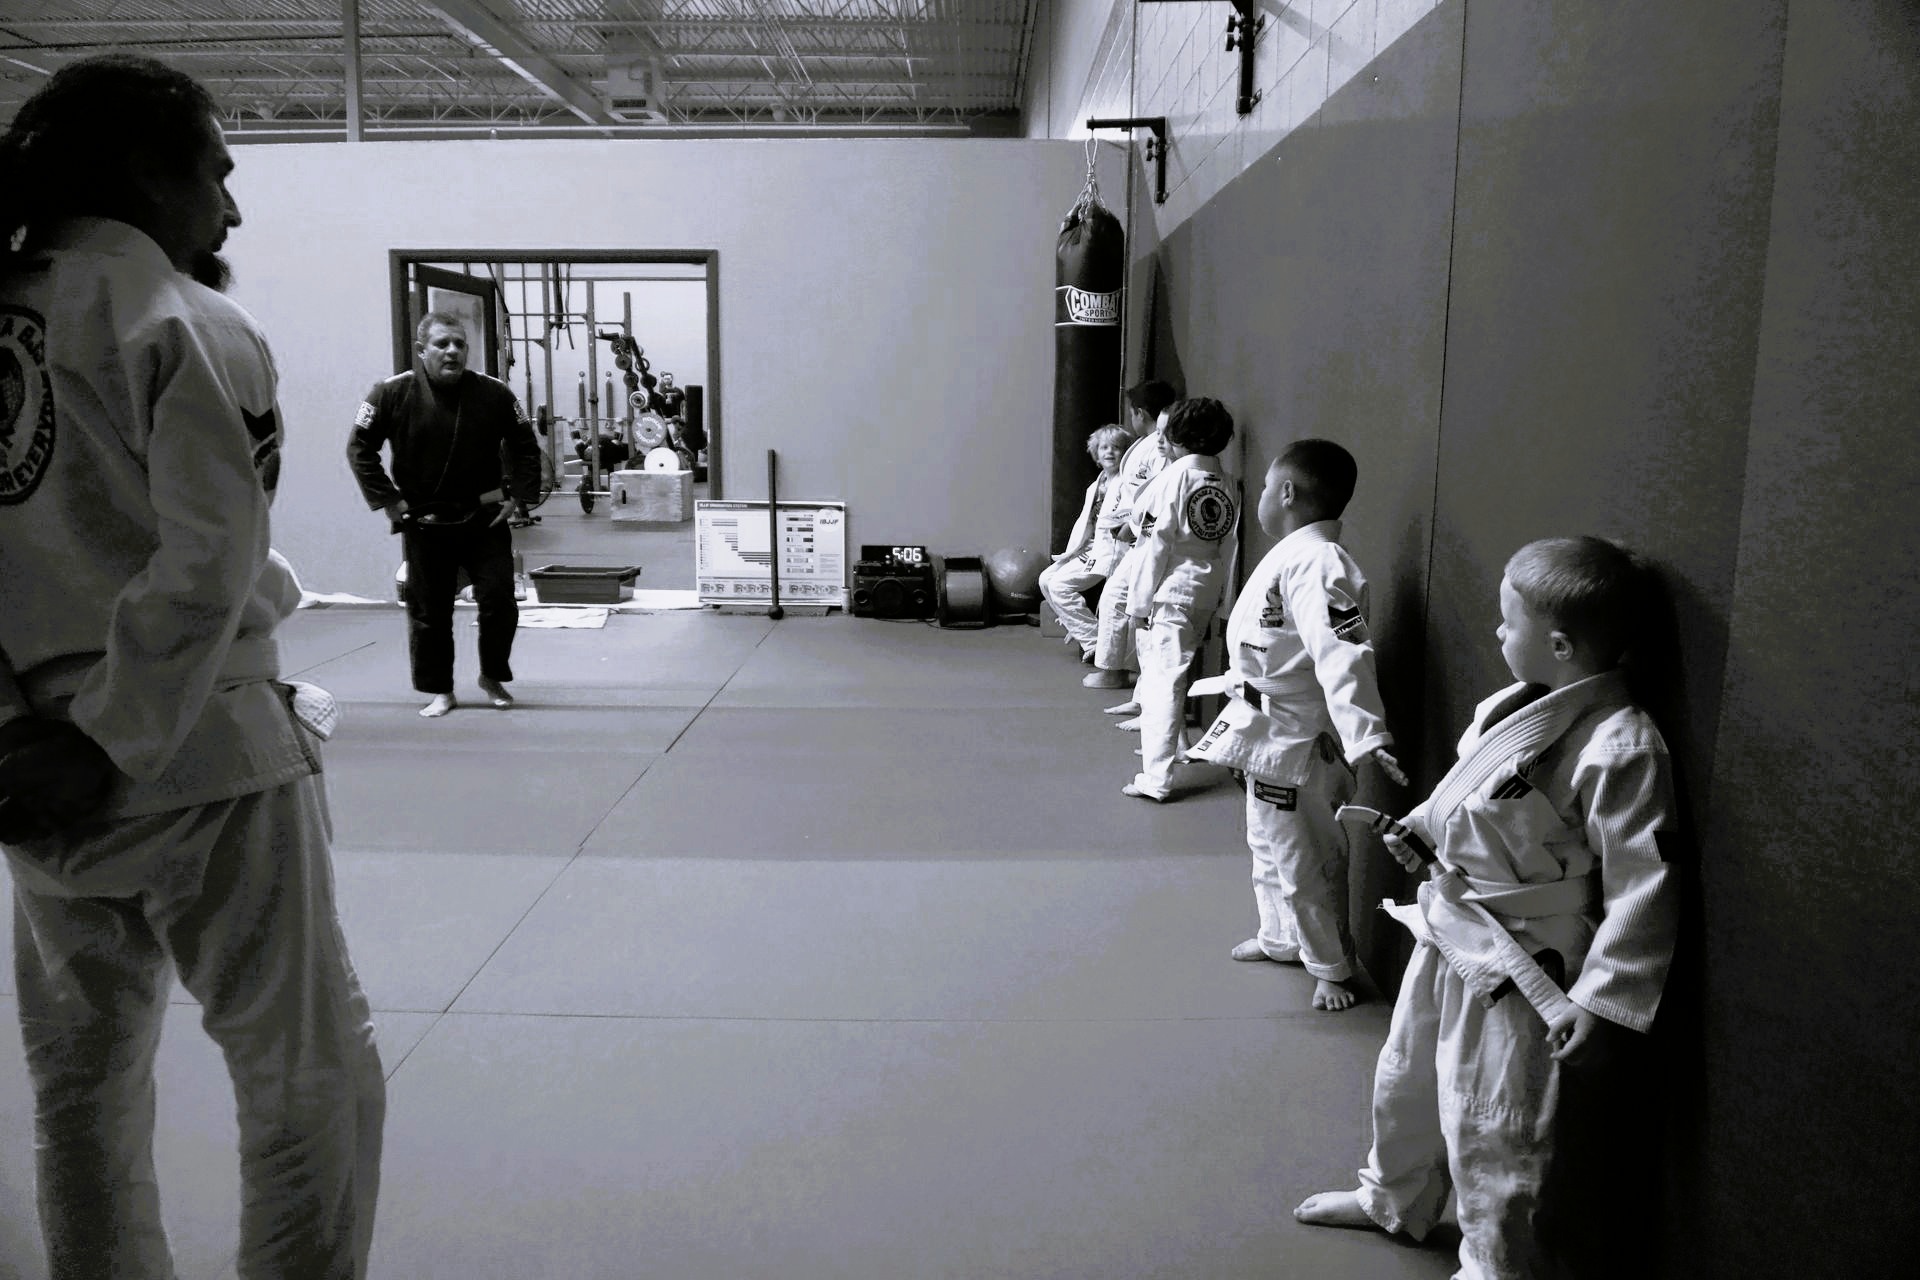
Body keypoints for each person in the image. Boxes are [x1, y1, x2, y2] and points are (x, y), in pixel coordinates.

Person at [0, 53, 385, 1278]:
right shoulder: (182, 320)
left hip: (30, 770)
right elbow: (211, 560)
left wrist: (19, 733)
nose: (233, 208)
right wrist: (107, 734)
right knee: (306, 1069)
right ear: (141, 172)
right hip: (199, 755)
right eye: (217, 174)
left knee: (82, 1081)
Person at [1295, 536, 1681, 1279]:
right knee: (1405, 1077)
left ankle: (1495, 1265)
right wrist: (1423, 831)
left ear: (1560, 645)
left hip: (1528, 959)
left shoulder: (1623, 745)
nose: (1497, 633)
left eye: (1509, 623)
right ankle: (1394, 1198)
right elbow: (1467, 798)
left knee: (1495, 1122)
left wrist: (1604, 1000)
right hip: (1453, 925)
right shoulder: (1512, 705)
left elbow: (1645, 883)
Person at [1185, 441, 1407, 1011]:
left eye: (1264, 486)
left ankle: (1332, 966)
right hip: (1266, 725)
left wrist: (1366, 734)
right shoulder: (1294, 555)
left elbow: (1344, 651)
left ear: (1286, 493)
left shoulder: (1322, 563)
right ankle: (1280, 936)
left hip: (1300, 736)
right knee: (1266, 842)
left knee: (1307, 856)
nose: (1259, 495)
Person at [348, 311, 543, 717]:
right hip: (424, 521)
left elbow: (525, 444)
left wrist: (517, 496)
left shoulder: (494, 392)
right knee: (429, 610)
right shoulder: (390, 393)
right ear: (422, 350)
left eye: (459, 344)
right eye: (442, 344)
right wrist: (389, 500)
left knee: (500, 599)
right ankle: (441, 690)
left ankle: (492, 675)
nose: (452, 351)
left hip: (484, 516)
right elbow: (360, 448)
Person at [1118, 398, 1239, 803]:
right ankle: (1180, 748)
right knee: (1175, 674)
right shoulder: (1226, 481)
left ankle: (1156, 778)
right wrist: (1225, 602)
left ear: (1176, 437)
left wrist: (1138, 604)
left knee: (1161, 682)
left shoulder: (1173, 479)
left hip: (1169, 589)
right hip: (1206, 585)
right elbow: (1230, 545)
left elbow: (1154, 545)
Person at [1084, 377, 1182, 695]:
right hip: (1136, 531)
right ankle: (1125, 673)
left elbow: (1155, 497)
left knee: (1118, 598)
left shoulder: (1159, 448)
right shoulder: (1144, 444)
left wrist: (1133, 525)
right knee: (1122, 600)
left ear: (1139, 412)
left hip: (1147, 535)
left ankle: (1112, 671)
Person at [1039, 424, 1133, 662]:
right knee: (1046, 579)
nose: (1109, 452)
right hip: (1091, 548)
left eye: (1116, 448)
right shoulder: (1096, 485)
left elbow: (1129, 515)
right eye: (1104, 448)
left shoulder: (1126, 483)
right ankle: (1077, 625)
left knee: (1059, 586)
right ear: (1096, 453)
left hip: (1111, 549)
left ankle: (1093, 641)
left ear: (1126, 453)